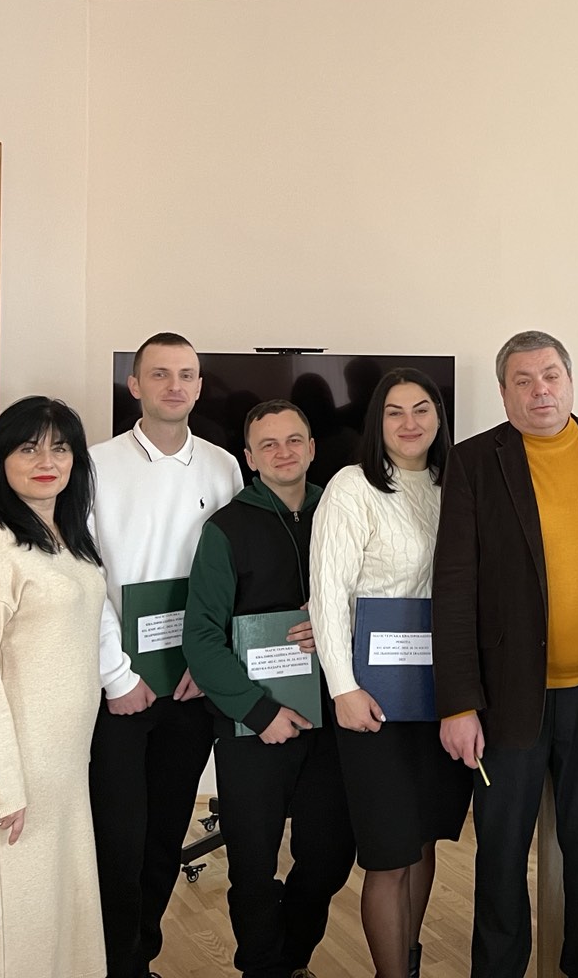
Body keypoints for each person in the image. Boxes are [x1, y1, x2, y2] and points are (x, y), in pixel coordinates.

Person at [432, 329, 578, 978]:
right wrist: (458, 703)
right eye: (522, 381)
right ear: (503, 393)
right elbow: (454, 587)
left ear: (570, 381)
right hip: (506, 699)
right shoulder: (473, 462)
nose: (539, 390)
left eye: (550, 375)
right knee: (500, 854)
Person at [308, 368, 473, 978]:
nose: (410, 423)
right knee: (388, 852)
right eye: (395, 411)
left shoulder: (456, 485)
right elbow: (328, 594)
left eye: (422, 409)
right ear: (376, 421)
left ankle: (409, 959)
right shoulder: (351, 487)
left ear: (439, 418)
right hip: (371, 698)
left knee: (424, 840)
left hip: (438, 695)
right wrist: (343, 689)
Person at [184, 399, 357, 978]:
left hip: (331, 719)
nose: (284, 453)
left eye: (294, 440)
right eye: (268, 445)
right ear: (250, 458)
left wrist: (334, 617)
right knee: (253, 866)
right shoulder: (225, 530)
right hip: (253, 725)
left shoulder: (344, 513)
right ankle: (262, 967)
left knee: (329, 858)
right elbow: (201, 639)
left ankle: (291, 958)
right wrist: (259, 713)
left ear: (313, 448)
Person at [89, 332, 244, 978]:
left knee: (163, 839)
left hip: (190, 687)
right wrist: (116, 676)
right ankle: (109, 965)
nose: (174, 385)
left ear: (200, 386)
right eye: (159, 374)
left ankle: (139, 961)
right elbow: (84, 579)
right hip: (122, 690)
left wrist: (207, 665)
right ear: (135, 385)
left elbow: (235, 578)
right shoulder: (93, 466)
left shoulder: (224, 467)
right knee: (117, 842)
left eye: (186, 374)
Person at [0, 396, 107, 977]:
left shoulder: (65, 536)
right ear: (0, 458)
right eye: (29, 447)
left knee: (59, 926)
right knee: (10, 942)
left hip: (60, 770)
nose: (47, 461)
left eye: (60, 448)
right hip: (5, 777)